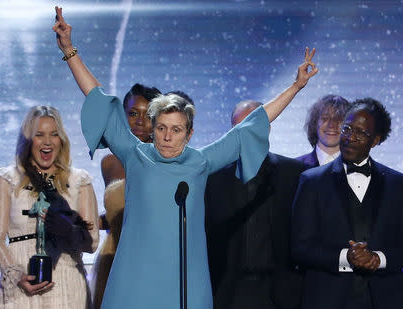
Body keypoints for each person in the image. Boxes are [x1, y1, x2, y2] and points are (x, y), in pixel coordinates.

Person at [53, 6, 318, 308]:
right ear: (152, 129)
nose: (168, 136)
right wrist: (68, 49)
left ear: (189, 134)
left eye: (176, 130)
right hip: (134, 275)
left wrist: (296, 86)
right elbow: (98, 97)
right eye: (162, 128)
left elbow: (253, 124)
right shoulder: (135, 154)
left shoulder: (200, 162)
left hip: (184, 278)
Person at [291, 98, 403, 309]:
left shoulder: (399, 183)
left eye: (361, 133)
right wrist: (345, 257)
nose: (350, 137)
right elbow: (299, 247)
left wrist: (377, 259)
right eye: (347, 129)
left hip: (387, 299)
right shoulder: (311, 181)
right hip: (327, 299)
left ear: (376, 140)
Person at [0, 106, 99, 308]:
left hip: (68, 286)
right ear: (28, 141)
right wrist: (16, 275)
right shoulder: (6, 180)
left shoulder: (80, 181)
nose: (47, 142)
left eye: (54, 135)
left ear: (61, 139)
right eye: (39, 135)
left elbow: (92, 244)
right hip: (21, 288)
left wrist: (69, 231)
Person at [205, 100, 307, 309]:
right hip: (228, 291)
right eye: (239, 129)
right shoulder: (213, 177)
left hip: (279, 291)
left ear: (268, 128)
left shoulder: (294, 173)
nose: (246, 135)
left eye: (254, 127)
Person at [91, 83, 161, 309]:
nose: (140, 121)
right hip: (113, 258)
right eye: (133, 113)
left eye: (147, 115)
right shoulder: (109, 162)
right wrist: (86, 221)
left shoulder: (167, 161)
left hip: (153, 260)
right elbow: (118, 210)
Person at [296, 94, 351, 167]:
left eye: (338, 119)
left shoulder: (360, 168)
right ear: (315, 123)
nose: (331, 125)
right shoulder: (295, 167)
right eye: (325, 118)